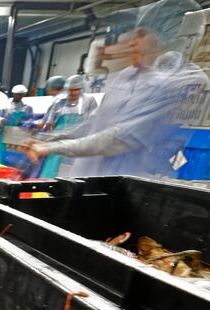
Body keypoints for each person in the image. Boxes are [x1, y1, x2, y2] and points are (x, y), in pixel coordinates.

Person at [24, 0, 209, 179]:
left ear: (170, 38)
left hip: (130, 187)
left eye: (141, 34)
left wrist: (53, 147)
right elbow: (94, 123)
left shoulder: (186, 81)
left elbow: (121, 139)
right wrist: (50, 140)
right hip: (86, 179)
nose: (131, 42)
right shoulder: (128, 75)